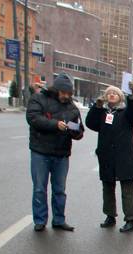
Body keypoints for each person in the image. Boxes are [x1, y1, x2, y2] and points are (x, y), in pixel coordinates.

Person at [25, 73, 84, 232]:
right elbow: (33, 118)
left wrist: (75, 131)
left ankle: (58, 219)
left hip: (61, 154)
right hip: (40, 151)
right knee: (39, 188)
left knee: (59, 190)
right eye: (63, 92)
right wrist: (54, 124)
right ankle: (40, 220)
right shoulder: (39, 99)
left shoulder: (72, 108)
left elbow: (79, 129)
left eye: (69, 93)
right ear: (56, 89)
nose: (66, 96)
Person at [85, 82, 133, 233]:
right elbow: (90, 123)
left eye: (115, 93)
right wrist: (96, 107)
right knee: (108, 187)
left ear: (120, 97)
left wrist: (132, 97)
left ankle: (130, 219)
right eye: (109, 93)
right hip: (107, 155)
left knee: (127, 189)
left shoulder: (126, 113)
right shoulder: (103, 114)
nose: (112, 95)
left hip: (124, 155)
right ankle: (110, 216)